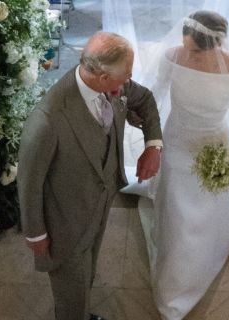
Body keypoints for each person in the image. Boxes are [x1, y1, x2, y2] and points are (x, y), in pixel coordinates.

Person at [122, 10, 229, 319]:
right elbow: (156, 94)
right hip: (177, 138)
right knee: (177, 208)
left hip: (213, 143)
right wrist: (142, 120)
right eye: (184, 43)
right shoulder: (172, 57)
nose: (185, 52)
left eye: (193, 49)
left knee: (208, 198)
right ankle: (174, 282)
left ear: (214, 46)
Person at [17, 31, 163, 320]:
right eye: (126, 75)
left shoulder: (114, 87)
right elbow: (29, 181)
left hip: (100, 200)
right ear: (101, 76)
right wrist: (36, 233)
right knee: (70, 285)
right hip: (65, 221)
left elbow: (144, 99)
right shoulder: (47, 120)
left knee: (87, 271)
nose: (128, 81)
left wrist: (153, 146)